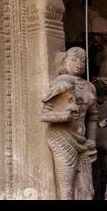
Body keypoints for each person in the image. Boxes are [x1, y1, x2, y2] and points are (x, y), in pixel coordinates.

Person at [41, 47, 98, 200]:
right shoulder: (62, 82)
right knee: (67, 190)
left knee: (87, 191)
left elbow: (93, 117)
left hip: (82, 140)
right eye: (74, 60)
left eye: (83, 60)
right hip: (62, 137)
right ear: (65, 61)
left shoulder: (89, 86)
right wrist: (65, 115)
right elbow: (44, 114)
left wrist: (92, 139)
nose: (79, 64)